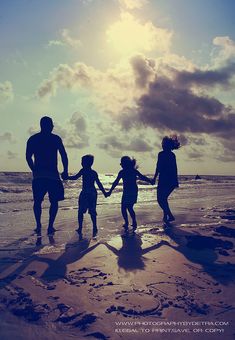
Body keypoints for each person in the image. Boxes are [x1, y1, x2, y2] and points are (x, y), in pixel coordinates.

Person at [26, 116, 68, 234]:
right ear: (48, 125)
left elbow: (28, 156)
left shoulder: (33, 139)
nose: (53, 127)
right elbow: (63, 155)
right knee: (53, 201)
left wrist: (33, 169)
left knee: (38, 201)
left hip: (39, 176)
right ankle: (50, 226)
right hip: (53, 176)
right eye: (51, 125)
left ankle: (39, 225)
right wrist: (65, 170)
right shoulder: (55, 139)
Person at [62, 154, 107, 238]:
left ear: (87, 163)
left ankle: (80, 227)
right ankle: (94, 226)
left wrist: (67, 177)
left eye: (82, 162)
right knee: (92, 211)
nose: (81, 163)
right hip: (93, 193)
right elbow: (99, 184)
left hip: (86, 192)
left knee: (81, 211)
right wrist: (104, 193)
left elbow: (75, 177)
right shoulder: (93, 172)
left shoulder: (83, 170)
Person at [107, 156, 152, 232]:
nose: (121, 165)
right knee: (129, 207)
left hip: (129, 191)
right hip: (132, 191)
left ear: (125, 164)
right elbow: (143, 177)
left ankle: (128, 222)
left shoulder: (123, 172)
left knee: (124, 207)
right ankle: (132, 221)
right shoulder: (132, 171)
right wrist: (151, 181)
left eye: (122, 163)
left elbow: (116, 182)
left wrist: (110, 191)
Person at [153, 136, 180, 223]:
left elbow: (159, 167)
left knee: (161, 199)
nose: (162, 145)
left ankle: (170, 216)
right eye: (162, 144)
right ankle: (165, 216)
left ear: (167, 145)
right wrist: (154, 178)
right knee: (163, 199)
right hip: (166, 179)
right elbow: (159, 166)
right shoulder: (169, 155)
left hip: (165, 179)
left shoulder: (164, 154)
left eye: (163, 144)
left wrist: (154, 178)